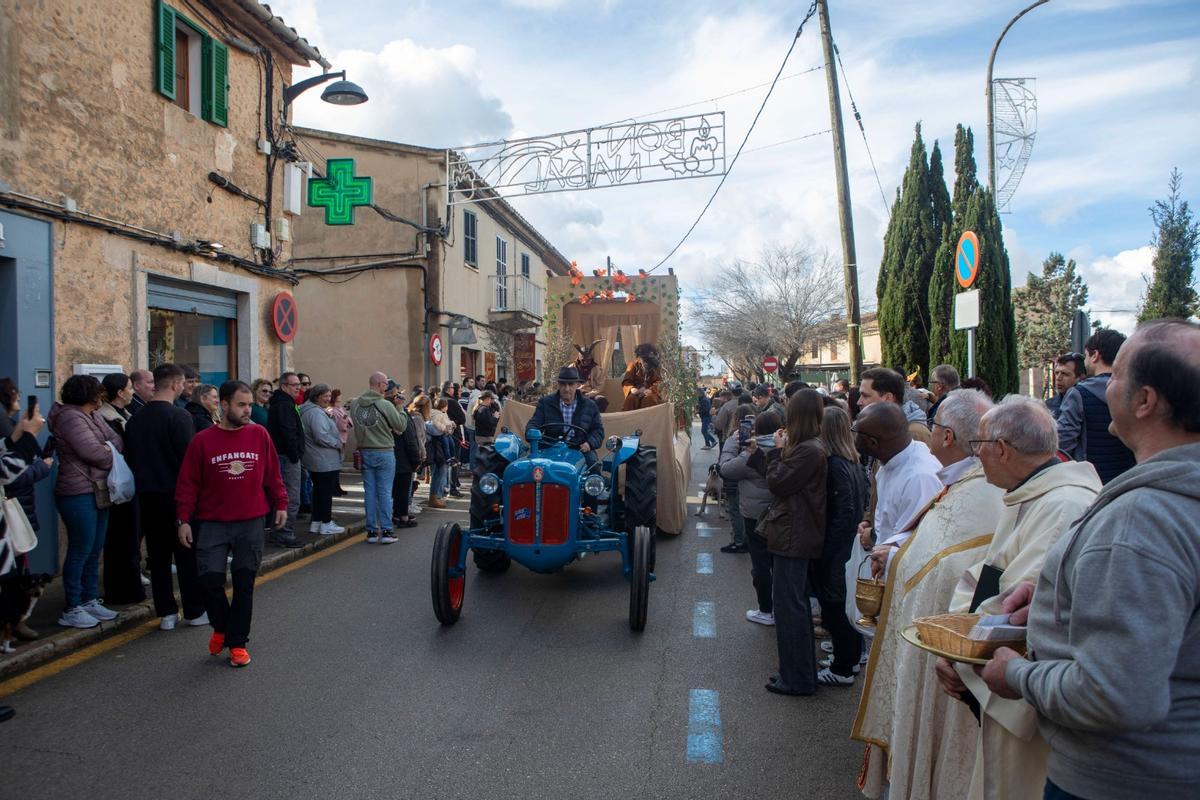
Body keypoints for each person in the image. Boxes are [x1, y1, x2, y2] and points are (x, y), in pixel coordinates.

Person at [981, 319, 1200, 800]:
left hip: (1120, 778)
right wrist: (1063, 593)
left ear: (1145, 401)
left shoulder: (1141, 521)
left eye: (1115, 374)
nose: (1095, 385)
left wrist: (1014, 675)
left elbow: (1113, 694)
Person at [934, 396, 1101, 800]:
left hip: (1031, 699)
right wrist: (953, 646)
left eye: (980, 448)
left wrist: (962, 655)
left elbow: (1020, 611)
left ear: (1003, 449)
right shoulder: (1032, 491)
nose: (978, 458)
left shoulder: (1063, 505)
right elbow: (984, 577)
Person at [852, 389, 1002, 799]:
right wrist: (895, 550)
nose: (929, 435)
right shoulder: (959, 481)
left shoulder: (978, 490)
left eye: (935, 428)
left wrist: (897, 555)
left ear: (948, 436)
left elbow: (952, 566)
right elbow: (925, 535)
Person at [176, 380, 288, 668]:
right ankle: (222, 627)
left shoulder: (259, 434)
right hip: (213, 522)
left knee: (244, 583)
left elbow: (273, 474)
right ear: (224, 405)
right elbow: (188, 484)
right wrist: (183, 520)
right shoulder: (202, 441)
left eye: (249, 404)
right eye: (241, 405)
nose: (247, 410)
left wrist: (281, 503)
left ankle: (237, 643)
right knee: (210, 580)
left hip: (251, 521)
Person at [123, 363, 206, 631]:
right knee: (186, 555)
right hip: (178, 496)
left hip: (147, 495)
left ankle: (167, 613)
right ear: (174, 384)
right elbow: (189, 462)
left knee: (158, 557)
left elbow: (131, 458)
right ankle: (194, 610)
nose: (184, 388)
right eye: (182, 383)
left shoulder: (135, 418)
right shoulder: (180, 417)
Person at [760, 389, 827, 696]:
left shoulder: (809, 450)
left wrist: (775, 451)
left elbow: (778, 483)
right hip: (793, 533)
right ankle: (794, 673)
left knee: (790, 609)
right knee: (789, 607)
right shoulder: (808, 448)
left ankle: (798, 678)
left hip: (793, 535)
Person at [47, 374, 123, 628]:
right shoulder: (70, 416)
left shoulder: (91, 414)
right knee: (81, 548)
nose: (102, 396)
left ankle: (89, 599)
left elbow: (116, 441)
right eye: (98, 392)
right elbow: (91, 451)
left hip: (97, 488)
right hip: (77, 491)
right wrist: (108, 451)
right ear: (88, 393)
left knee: (94, 548)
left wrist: (107, 449)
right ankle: (73, 605)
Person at [853, 403, 943, 575]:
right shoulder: (889, 461)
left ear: (873, 443)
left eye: (856, 432)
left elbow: (917, 543)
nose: (853, 435)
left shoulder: (919, 478)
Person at [813, 405, 868, 686]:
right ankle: (851, 659)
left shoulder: (835, 465)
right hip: (850, 545)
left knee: (836, 607)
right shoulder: (853, 462)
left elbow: (843, 511)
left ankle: (842, 668)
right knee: (844, 605)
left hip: (839, 549)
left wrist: (827, 549)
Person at [720, 413, 779, 625]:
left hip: (756, 516)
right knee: (780, 564)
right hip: (782, 514)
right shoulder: (785, 448)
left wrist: (730, 443)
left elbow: (726, 469)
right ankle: (782, 607)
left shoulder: (751, 453)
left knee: (761, 565)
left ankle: (766, 610)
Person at [1055, 329, 1135, 483]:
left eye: (1086, 356)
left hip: (1090, 483)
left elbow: (1063, 442)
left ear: (1095, 355)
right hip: (1127, 480)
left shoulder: (1078, 394)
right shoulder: (1134, 391)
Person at [98, 373, 144, 604]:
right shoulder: (106, 418)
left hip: (127, 484)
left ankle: (129, 588)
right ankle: (120, 592)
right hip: (117, 487)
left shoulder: (123, 414)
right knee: (120, 541)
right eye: (129, 388)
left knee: (129, 539)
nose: (132, 392)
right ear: (120, 392)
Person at [350, 372, 409, 544]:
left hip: (365, 450)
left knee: (370, 492)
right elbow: (400, 426)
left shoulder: (355, 404)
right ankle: (386, 530)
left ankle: (371, 531)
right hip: (383, 451)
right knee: (384, 491)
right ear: (381, 385)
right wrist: (399, 408)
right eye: (386, 384)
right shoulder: (385, 404)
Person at [527, 366, 604, 464]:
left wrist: (589, 443)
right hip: (550, 447)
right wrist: (532, 432)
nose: (567, 389)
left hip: (580, 449)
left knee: (594, 467)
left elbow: (598, 430)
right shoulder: (545, 403)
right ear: (558, 384)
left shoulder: (590, 405)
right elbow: (534, 423)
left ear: (577, 385)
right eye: (563, 384)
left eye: (571, 384)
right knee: (531, 468)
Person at [299, 384, 345, 536]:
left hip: (317, 458)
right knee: (325, 493)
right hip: (323, 459)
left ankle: (316, 522)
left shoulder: (312, 411)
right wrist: (337, 443)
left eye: (329, 395)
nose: (328, 398)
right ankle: (326, 523)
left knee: (319, 492)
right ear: (316, 396)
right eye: (325, 395)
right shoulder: (316, 413)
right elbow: (321, 436)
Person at [266, 372, 305, 547]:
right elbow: (288, 431)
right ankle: (284, 533)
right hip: (287, 457)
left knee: (285, 495)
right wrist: (295, 454)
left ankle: (278, 532)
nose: (298, 387)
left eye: (299, 384)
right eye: (294, 384)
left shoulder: (284, 403)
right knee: (291, 496)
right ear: (283, 386)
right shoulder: (284, 405)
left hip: (284, 455)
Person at [717, 402, 758, 554]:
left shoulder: (735, 436)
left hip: (735, 480)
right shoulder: (756, 435)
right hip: (752, 482)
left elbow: (727, 465)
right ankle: (745, 539)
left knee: (735, 510)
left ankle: (739, 541)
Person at [859, 367, 932, 445]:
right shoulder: (880, 427)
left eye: (865, 396)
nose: (859, 402)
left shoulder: (914, 433)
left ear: (888, 398)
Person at [390, 393, 421, 529]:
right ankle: (403, 516)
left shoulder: (385, 413)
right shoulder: (402, 415)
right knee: (402, 490)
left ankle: (396, 514)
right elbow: (410, 439)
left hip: (392, 456)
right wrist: (416, 459)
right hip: (403, 458)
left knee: (394, 490)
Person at [621, 342, 663, 411]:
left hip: (650, 392)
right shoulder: (633, 365)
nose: (646, 362)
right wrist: (632, 389)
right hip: (636, 392)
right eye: (645, 359)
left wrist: (651, 390)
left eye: (649, 359)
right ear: (640, 357)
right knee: (630, 399)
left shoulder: (656, 366)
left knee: (649, 399)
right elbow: (627, 381)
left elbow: (659, 382)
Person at [442, 382, 466, 498]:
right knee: (454, 461)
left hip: (441, 435)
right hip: (453, 435)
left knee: (443, 463)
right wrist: (454, 423)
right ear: (448, 389)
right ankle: (453, 487)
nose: (455, 390)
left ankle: (444, 488)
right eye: (453, 388)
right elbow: (462, 418)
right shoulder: (452, 401)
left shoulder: (439, 400)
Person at [1044, 352, 1084, 419]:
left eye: (1065, 374)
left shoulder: (1087, 404)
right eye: (1056, 373)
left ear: (1080, 377)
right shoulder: (1048, 405)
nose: (1058, 378)